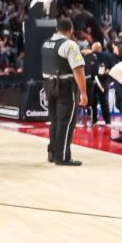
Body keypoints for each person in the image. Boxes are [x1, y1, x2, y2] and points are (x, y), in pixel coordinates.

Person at [41, 17, 88, 166]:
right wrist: (83, 92)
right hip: (65, 86)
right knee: (66, 122)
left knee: (54, 121)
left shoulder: (46, 43)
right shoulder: (69, 45)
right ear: (71, 30)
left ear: (56, 29)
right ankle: (62, 157)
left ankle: (52, 152)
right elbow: (78, 70)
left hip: (48, 85)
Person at [83, 42, 112, 126]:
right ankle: (94, 120)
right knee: (92, 102)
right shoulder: (88, 56)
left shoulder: (106, 56)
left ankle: (108, 121)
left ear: (100, 48)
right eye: (93, 49)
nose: (94, 51)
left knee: (104, 102)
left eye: (96, 49)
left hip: (103, 82)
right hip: (92, 82)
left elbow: (110, 66)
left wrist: (108, 70)